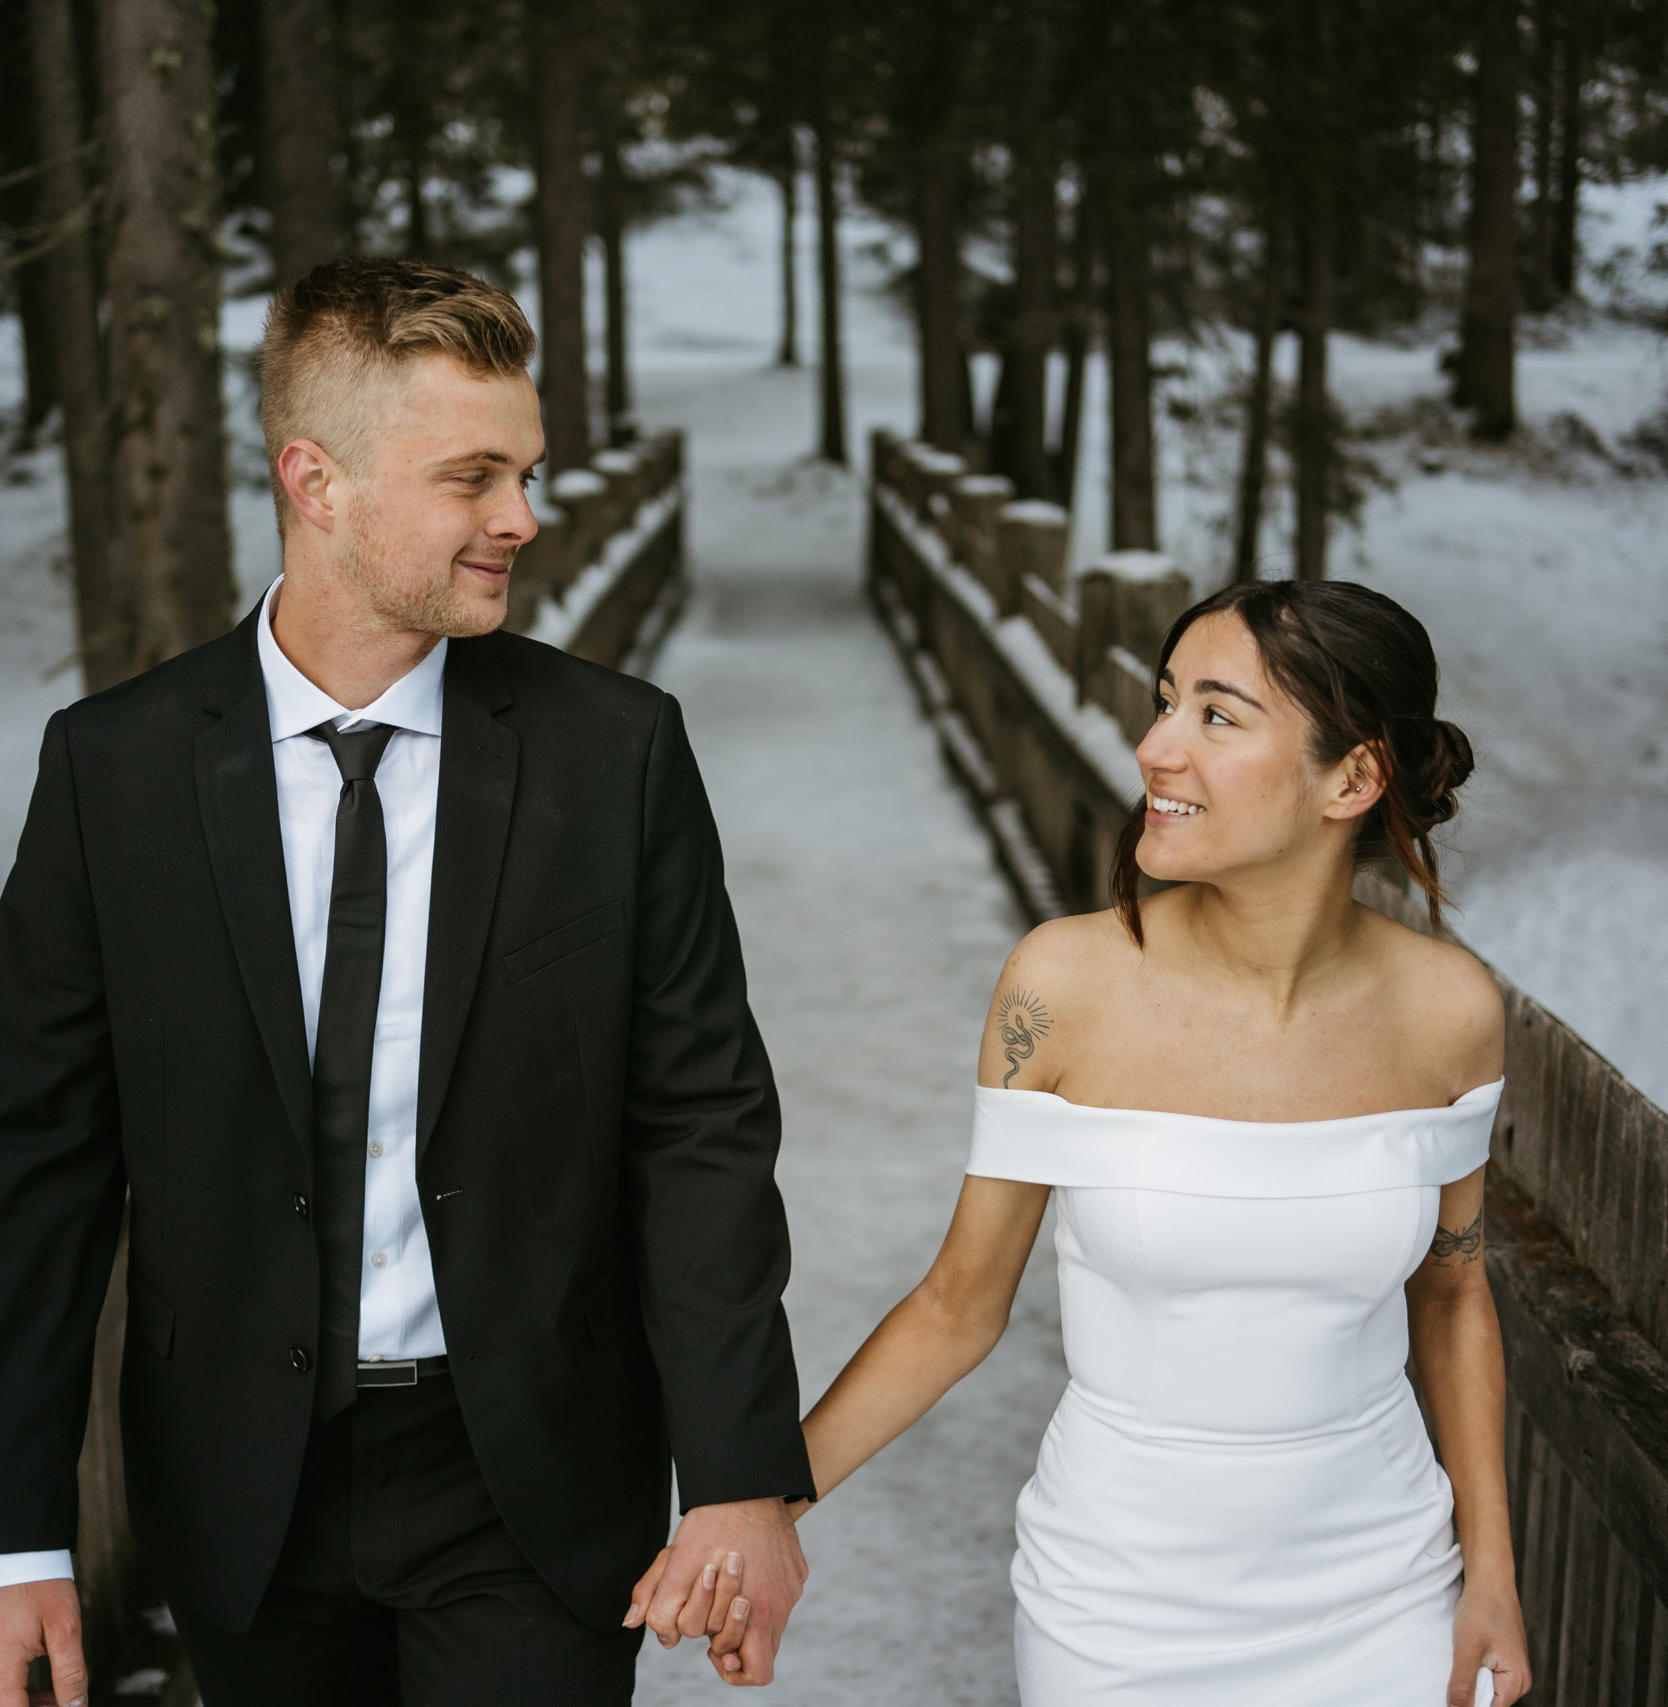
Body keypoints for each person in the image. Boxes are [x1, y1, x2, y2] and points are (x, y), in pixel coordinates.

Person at [0, 258, 813, 1707]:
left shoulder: (618, 754)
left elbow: (701, 1127)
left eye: (524, 472)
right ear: (318, 478)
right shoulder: (114, 770)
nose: (521, 518)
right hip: (237, 1484)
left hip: (529, 1476)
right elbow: (36, 1163)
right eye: (473, 476)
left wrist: (740, 1474)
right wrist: (15, 1539)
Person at [643, 580, 1532, 1704]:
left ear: (1351, 778)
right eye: (1165, 703)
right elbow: (956, 1306)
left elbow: (1453, 1296)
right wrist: (756, 1511)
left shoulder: (1447, 1011)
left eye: (1217, 716)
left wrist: (1490, 1577)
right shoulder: (1063, 988)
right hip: (1120, 1611)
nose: (1155, 747)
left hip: (1388, 1595)